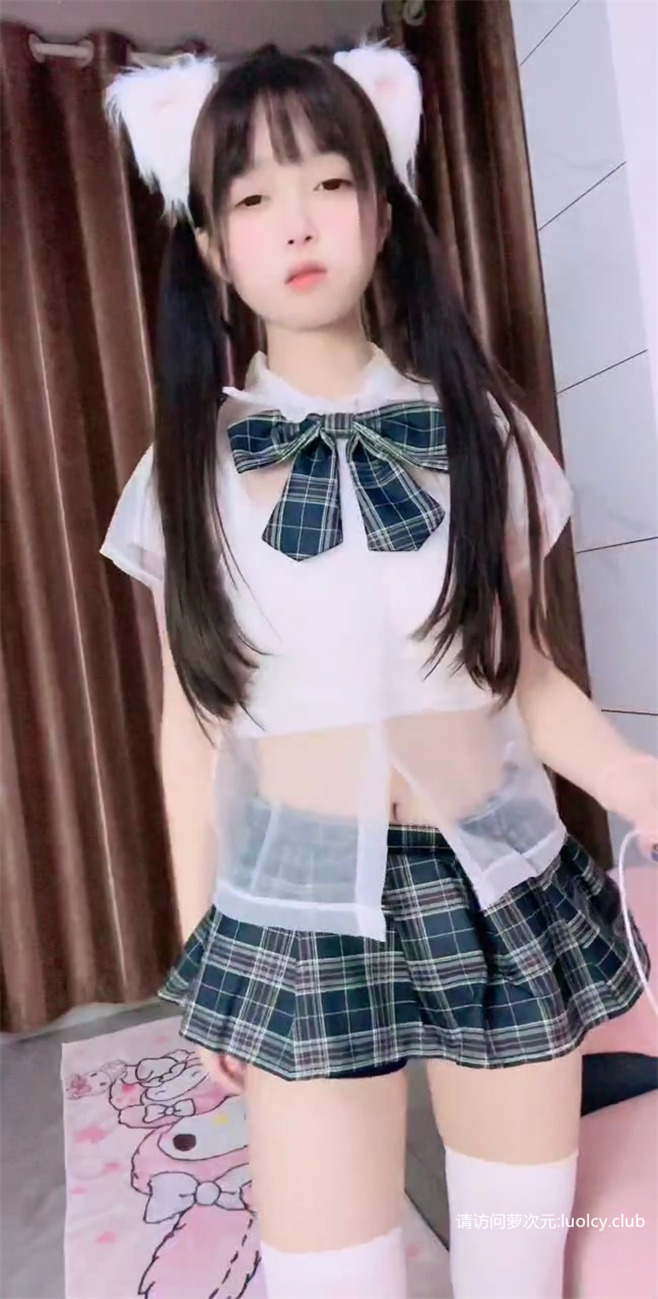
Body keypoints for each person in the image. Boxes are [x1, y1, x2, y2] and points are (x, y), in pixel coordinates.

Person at [101, 42, 656, 1299]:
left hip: (496, 882)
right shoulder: (186, 470)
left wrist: (630, 775)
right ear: (210, 247)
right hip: (295, 903)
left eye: (329, 181)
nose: (297, 221)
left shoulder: (482, 432)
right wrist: (202, 945)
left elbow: (522, 675)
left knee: (516, 1267)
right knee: (331, 1278)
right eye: (252, 195)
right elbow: (192, 722)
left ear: (383, 212)